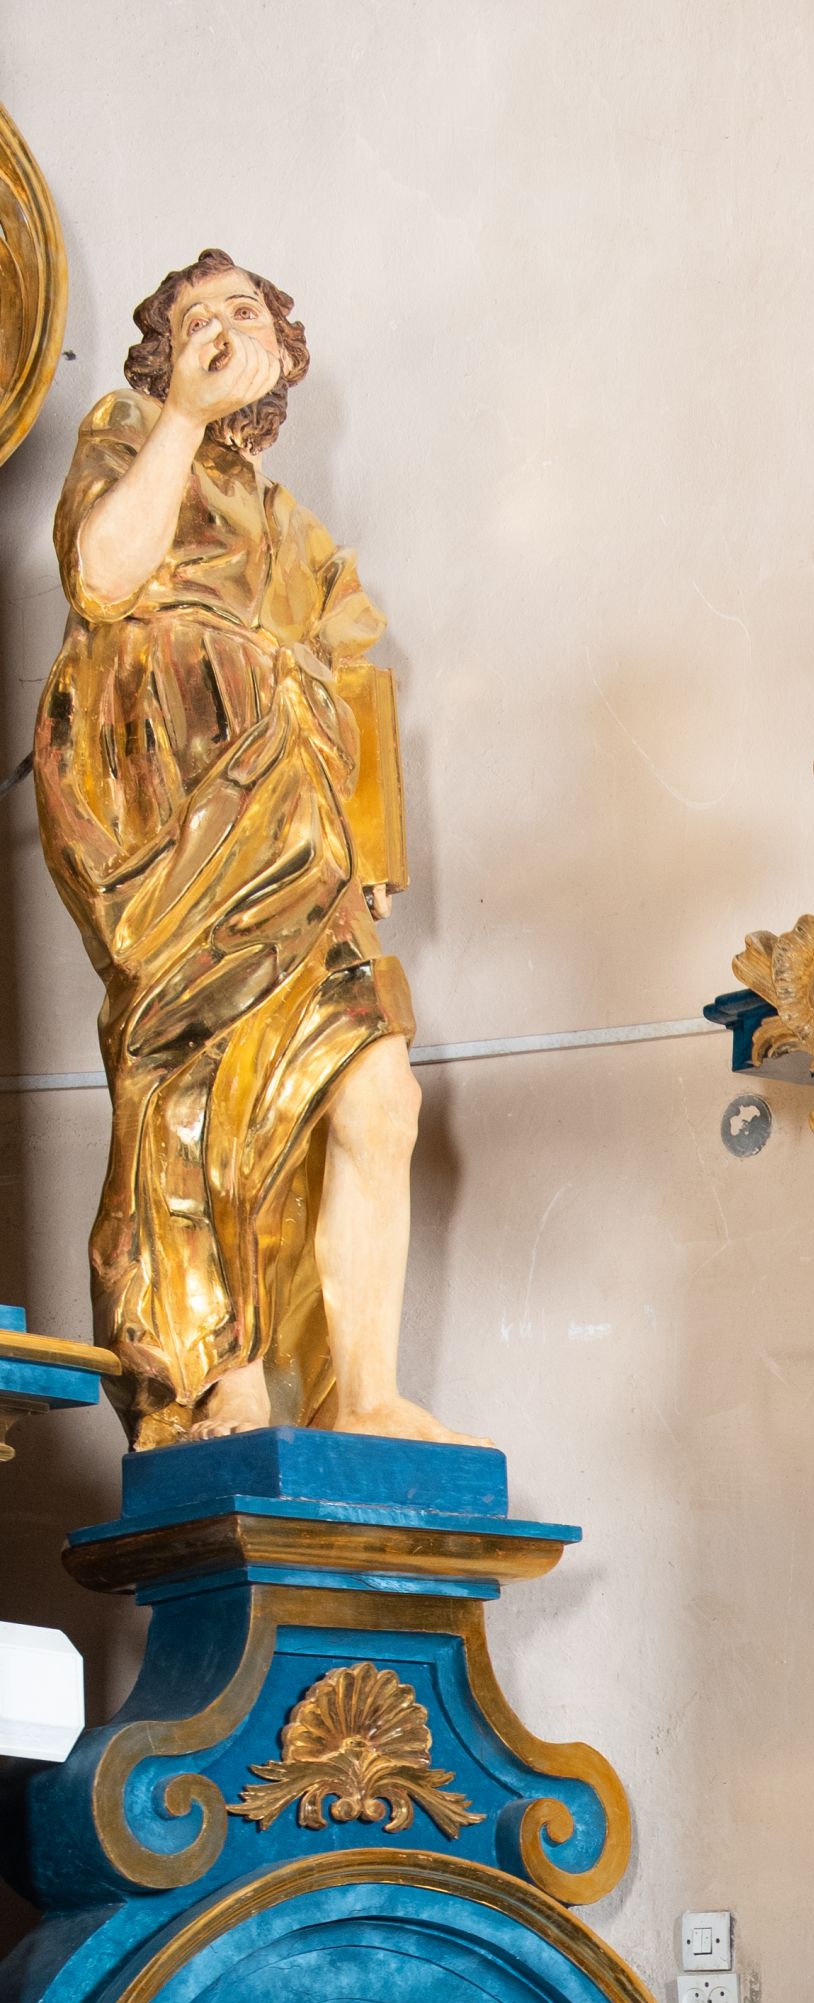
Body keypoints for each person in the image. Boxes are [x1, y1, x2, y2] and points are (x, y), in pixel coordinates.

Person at [34, 250, 472, 1447]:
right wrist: (181, 413)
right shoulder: (129, 431)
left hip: (305, 838)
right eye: (196, 319)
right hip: (179, 826)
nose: (224, 330)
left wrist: (371, 857)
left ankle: (363, 1394)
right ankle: (215, 1370)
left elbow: (353, 683)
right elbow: (102, 577)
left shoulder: (297, 533)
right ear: (162, 356)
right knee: (203, 1089)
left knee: (379, 1093)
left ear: (283, 350)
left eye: (245, 313)